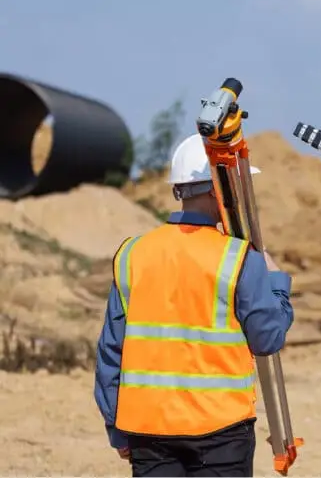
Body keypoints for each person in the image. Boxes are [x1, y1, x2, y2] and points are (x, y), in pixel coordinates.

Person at [94, 133, 294, 477]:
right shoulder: (238, 258)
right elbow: (268, 338)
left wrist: (116, 426)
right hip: (221, 431)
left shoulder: (131, 254)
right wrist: (275, 283)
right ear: (222, 189)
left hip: (148, 430)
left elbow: (112, 351)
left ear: (179, 191)